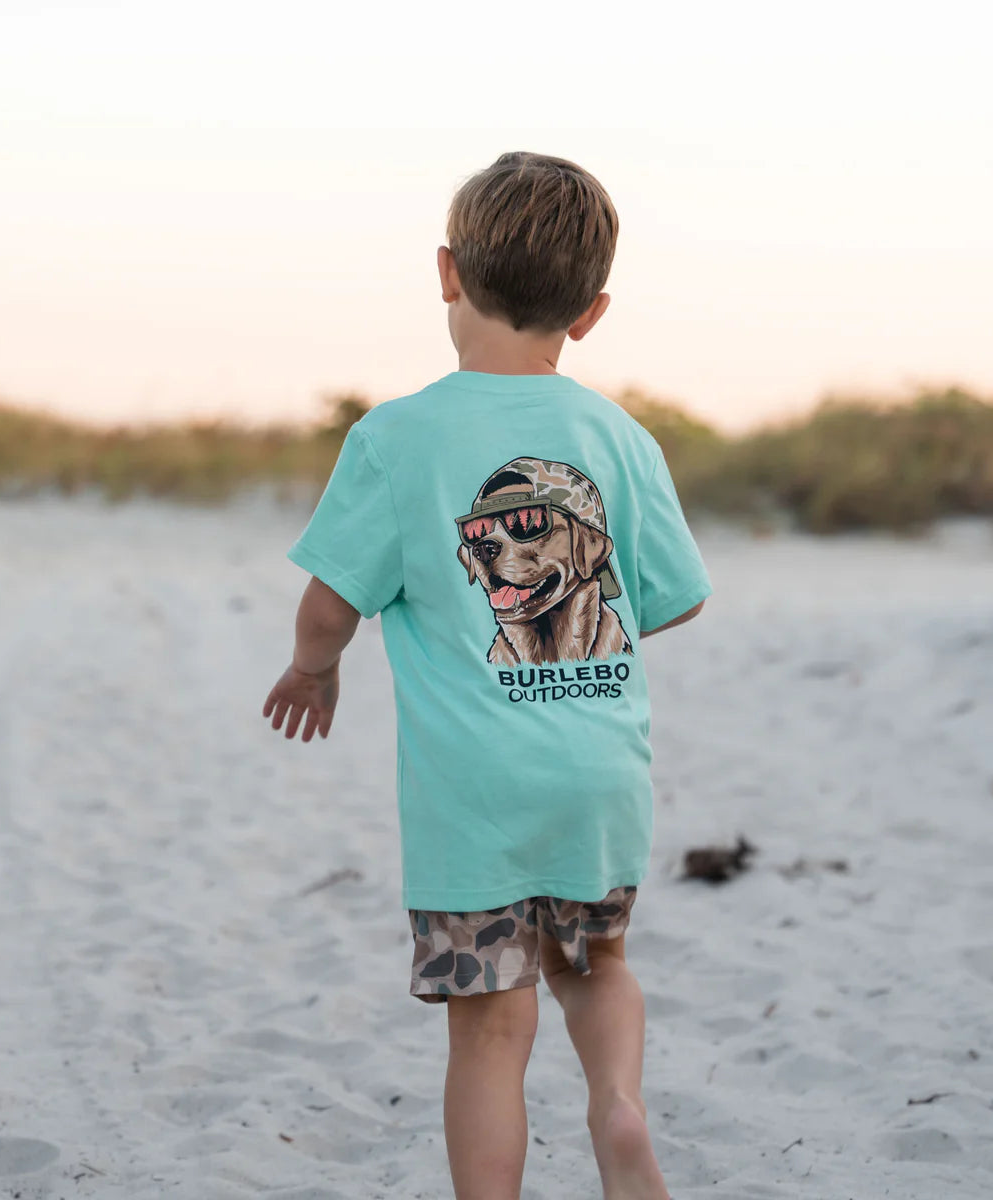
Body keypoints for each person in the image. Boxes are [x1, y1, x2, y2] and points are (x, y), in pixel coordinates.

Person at [263, 151, 710, 1200]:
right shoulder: (620, 435)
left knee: (491, 1031)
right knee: (598, 970)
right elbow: (676, 596)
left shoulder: (397, 436)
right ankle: (620, 1108)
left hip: (474, 800)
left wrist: (313, 670)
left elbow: (331, 602)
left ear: (447, 272)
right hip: (599, 781)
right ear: (591, 313)